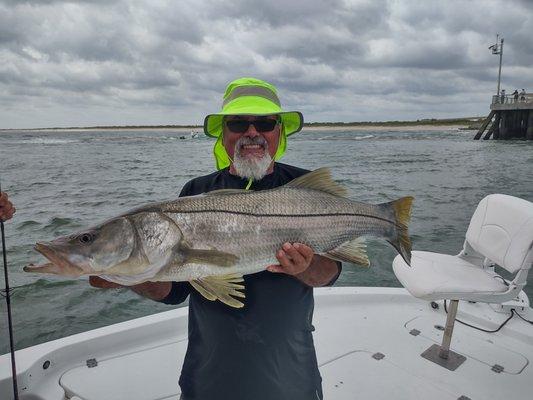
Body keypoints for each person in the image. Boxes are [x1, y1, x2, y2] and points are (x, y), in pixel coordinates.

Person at [91, 77, 342, 400]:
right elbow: (174, 290)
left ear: (279, 131)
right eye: (238, 123)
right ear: (224, 134)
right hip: (210, 373)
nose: (252, 132)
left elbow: (330, 274)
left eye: (264, 123)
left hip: (292, 373)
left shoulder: (305, 187)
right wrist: (128, 273)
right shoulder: (195, 193)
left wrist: (305, 267)